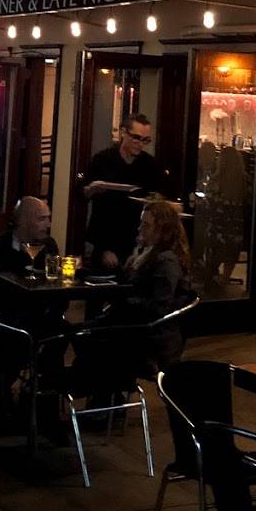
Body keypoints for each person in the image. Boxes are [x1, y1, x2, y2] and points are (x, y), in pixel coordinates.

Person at [71, 199, 191, 409]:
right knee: (80, 333)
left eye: (146, 225)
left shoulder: (166, 260)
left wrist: (122, 300)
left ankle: (102, 396)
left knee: (88, 337)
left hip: (149, 333)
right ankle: (104, 395)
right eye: (141, 223)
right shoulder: (147, 253)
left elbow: (158, 306)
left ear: (162, 230)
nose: (139, 228)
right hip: (133, 323)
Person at [0, 197, 62, 422]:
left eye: (48, 218)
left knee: (60, 332)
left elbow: (56, 285)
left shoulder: (48, 246)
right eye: (42, 219)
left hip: (36, 317)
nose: (48, 224)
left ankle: (41, 396)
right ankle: (4, 389)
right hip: (0, 319)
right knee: (20, 333)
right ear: (24, 221)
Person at [83, 112, 160, 270]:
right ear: (123, 132)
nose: (140, 144)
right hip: (105, 236)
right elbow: (83, 192)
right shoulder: (103, 159)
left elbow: (156, 198)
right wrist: (92, 189)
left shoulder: (148, 164)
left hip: (136, 237)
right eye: (136, 138)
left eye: (145, 140)